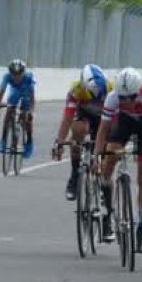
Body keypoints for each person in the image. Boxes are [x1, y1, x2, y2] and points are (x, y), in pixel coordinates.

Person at [94, 67, 142, 252]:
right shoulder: (113, 97)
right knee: (110, 156)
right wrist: (96, 157)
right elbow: (102, 131)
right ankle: (108, 213)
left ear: (137, 92)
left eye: (130, 97)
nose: (126, 101)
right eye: (122, 98)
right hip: (124, 121)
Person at [53, 64, 112, 200]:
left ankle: (102, 181)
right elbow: (67, 119)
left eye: (99, 97)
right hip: (83, 113)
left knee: (103, 145)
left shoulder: (111, 87)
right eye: (92, 97)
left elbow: (116, 120)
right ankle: (74, 176)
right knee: (78, 131)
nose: (95, 100)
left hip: (104, 117)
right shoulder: (76, 89)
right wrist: (60, 142)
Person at [0, 59, 35, 159]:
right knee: (9, 109)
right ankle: (3, 140)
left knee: (26, 117)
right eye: (14, 74)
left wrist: (30, 112)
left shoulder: (28, 78)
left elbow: (33, 99)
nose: (16, 76)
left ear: (23, 72)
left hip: (25, 92)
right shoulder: (6, 77)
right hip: (15, 91)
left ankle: (29, 143)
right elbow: (0, 94)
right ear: (10, 73)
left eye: (19, 74)